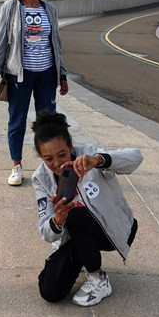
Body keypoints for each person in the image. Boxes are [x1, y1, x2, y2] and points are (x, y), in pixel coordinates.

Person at [31, 110, 142, 306]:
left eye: (62, 154)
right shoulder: (40, 178)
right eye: (48, 159)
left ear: (71, 146)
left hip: (112, 228)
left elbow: (135, 157)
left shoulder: (89, 155)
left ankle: (98, 278)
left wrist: (99, 160)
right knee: (50, 291)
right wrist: (57, 219)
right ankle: (83, 255)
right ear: (41, 157)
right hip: (75, 234)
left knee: (75, 214)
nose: (57, 163)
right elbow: (45, 232)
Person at [0, 0, 69, 187]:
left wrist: (62, 75)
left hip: (47, 74)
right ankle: (16, 166)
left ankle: (52, 168)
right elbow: (1, 41)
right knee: (17, 121)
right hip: (19, 75)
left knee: (48, 124)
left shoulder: (49, 9)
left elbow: (56, 44)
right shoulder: (10, 8)